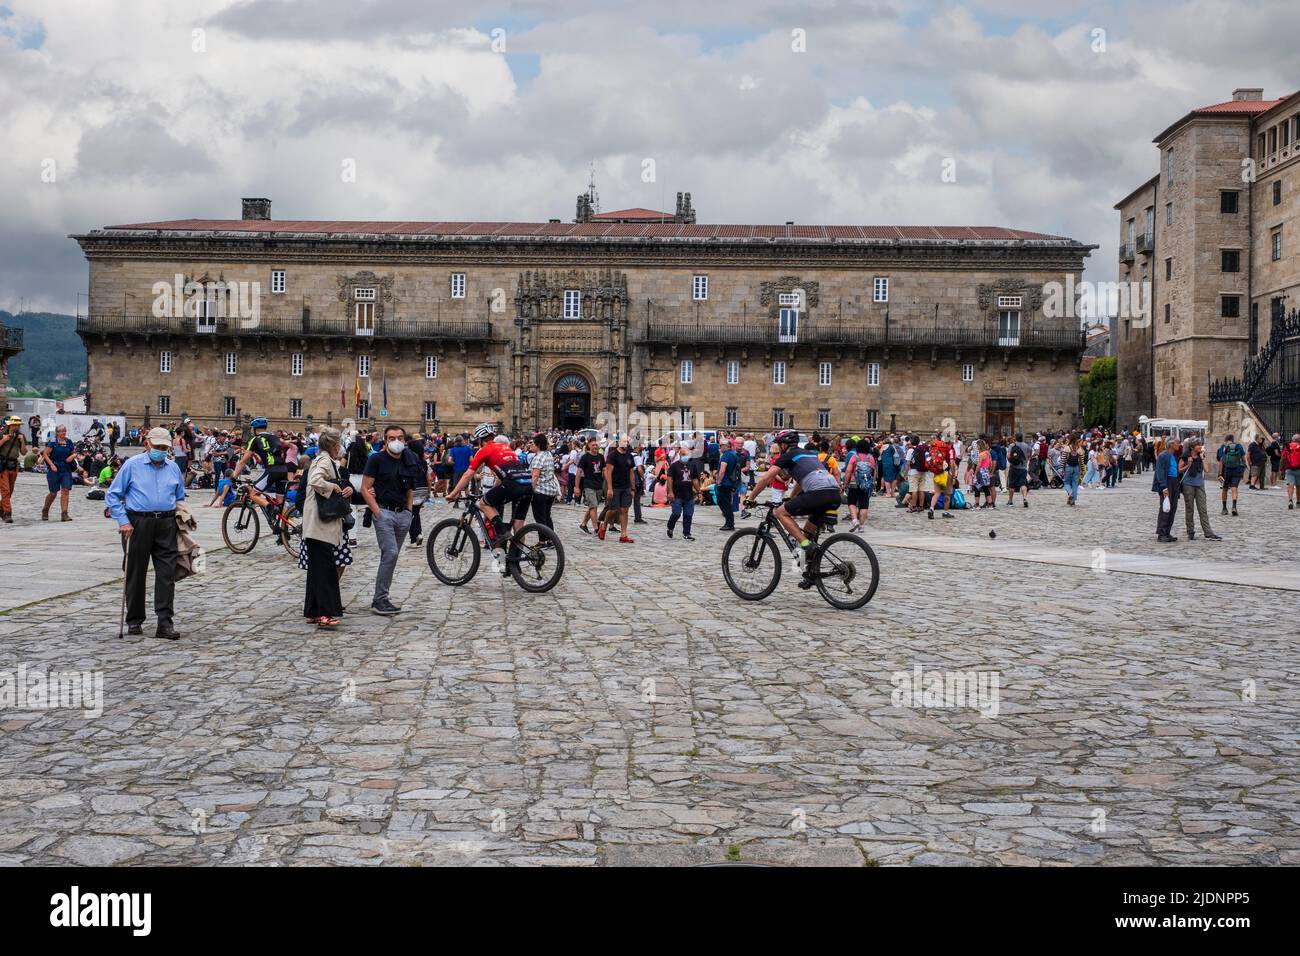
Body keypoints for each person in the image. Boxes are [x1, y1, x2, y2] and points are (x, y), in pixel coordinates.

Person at [106, 427, 187, 639]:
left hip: (166, 523)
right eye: (157, 446)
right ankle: (134, 620)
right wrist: (123, 521)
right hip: (137, 523)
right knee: (135, 572)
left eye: (164, 447)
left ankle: (164, 622)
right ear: (147, 444)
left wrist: (182, 517)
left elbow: (179, 496)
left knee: (167, 574)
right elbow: (113, 495)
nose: (161, 450)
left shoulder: (173, 468)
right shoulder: (132, 465)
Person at [745, 428, 843, 587]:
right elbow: (800, 480)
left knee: (780, 513)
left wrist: (750, 498)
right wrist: (791, 498)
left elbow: (765, 479)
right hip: (833, 493)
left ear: (784, 445)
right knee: (807, 532)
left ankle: (805, 545)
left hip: (818, 494)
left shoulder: (787, 456)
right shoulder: (811, 454)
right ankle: (810, 574)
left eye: (778, 444)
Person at [361, 424, 421, 615]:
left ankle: (382, 597)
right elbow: (365, 487)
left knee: (390, 557)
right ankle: (380, 600)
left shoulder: (409, 459)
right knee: (391, 553)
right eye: (391, 438)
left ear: (405, 440)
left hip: (403, 514)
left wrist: (410, 511)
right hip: (384, 513)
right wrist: (377, 511)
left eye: (400, 438)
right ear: (385, 441)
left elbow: (410, 487)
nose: (396, 441)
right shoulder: (376, 459)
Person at [447, 425, 533, 545]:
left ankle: (502, 532)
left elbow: (468, 475)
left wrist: (453, 493)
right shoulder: (505, 447)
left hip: (512, 483)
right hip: (528, 483)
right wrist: (494, 492)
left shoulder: (485, 449)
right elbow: (500, 476)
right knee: (518, 526)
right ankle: (515, 561)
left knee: (483, 503)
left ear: (480, 439)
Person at [301, 428, 352, 628]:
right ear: (334, 445)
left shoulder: (325, 460)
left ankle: (313, 611)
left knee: (316, 569)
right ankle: (325, 613)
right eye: (339, 443)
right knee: (325, 570)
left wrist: (340, 487)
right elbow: (315, 481)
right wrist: (333, 488)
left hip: (316, 524)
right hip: (320, 524)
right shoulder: (324, 461)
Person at [229, 417, 289, 513]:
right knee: (280, 501)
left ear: (255, 429)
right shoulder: (275, 437)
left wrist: (234, 476)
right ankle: (286, 526)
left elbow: (243, 461)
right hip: (283, 470)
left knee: (253, 495)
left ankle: (271, 507)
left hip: (272, 471)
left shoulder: (255, 439)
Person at [1178, 438, 1221, 541]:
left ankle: (1208, 532)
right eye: (1198, 445)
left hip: (1199, 484)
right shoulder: (1185, 456)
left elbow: (1206, 469)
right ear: (1192, 447)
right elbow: (1179, 470)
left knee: (1203, 509)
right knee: (1190, 509)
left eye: (1200, 445)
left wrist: (1202, 458)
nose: (1200, 447)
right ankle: (1190, 531)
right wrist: (1188, 464)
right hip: (1188, 484)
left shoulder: (1202, 455)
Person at [598, 434, 636, 542]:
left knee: (625, 510)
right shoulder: (613, 455)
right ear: (619, 442)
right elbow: (608, 472)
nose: (626, 444)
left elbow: (631, 472)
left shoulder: (629, 456)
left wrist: (633, 488)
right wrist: (609, 488)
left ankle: (623, 535)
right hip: (615, 486)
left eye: (627, 442)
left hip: (626, 487)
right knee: (613, 510)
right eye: (624, 442)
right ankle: (604, 526)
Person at [41, 424, 80, 521]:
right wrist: (51, 465)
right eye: (61, 431)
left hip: (65, 469)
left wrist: (73, 456)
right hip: (54, 469)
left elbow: (74, 452)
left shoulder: (69, 442)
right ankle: (45, 509)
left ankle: (64, 514)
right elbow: (45, 454)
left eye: (65, 431)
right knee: (53, 493)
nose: (63, 432)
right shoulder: (53, 442)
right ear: (57, 433)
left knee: (65, 490)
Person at [1153, 435, 1183, 542]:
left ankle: (1167, 531)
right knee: (1165, 508)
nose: (1179, 445)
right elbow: (1160, 472)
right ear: (1171, 444)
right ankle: (1161, 533)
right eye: (1177, 443)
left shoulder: (1173, 455)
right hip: (1167, 482)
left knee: (1173, 507)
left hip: (1174, 482)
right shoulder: (1163, 455)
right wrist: (1163, 486)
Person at [664, 446, 698, 540]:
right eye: (683, 454)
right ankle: (670, 527)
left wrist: (698, 491)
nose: (685, 456)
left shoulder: (692, 465)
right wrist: (670, 492)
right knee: (676, 513)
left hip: (689, 495)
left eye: (686, 454)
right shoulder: (674, 466)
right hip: (677, 494)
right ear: (679, 455)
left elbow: (694, 479)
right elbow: (670, 479)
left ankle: (686, 533)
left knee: (688, 515)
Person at [528, 432, 558, 531]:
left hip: (540, 491)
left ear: (538, 445)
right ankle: (550, 539)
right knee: (547, 516)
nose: (531, 445)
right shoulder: (548, 454)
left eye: (533, 443)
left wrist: (531, 490)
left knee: (540, 518)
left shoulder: (538, 457)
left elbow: (535, 475)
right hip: (550, 490)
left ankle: (543, 541)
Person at [0, 415, 27, 523]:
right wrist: (3, 440)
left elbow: (24, 452)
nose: (17, 427)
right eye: (15, 425)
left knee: (10, 490)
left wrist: (22, 442)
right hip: (3, 465)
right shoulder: (2, 434)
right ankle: (7, 513)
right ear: (9, 425)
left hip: (14, 465)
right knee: (5, 490)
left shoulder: (21, 436)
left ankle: (1, 507)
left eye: (18, 425)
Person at [576, 437, 604, 534]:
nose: (595, 446)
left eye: (596, 445)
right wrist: (577, 487)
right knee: (594, 506)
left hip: (599, 485)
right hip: (589, 485)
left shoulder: (601, 457)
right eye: (593, 445)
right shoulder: (585, 457)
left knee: (592, 506)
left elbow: (604, 470)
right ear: (588, 446)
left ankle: (583, 524)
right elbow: (579, 472)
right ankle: (596, 528)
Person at [1215, 433, 1246, 516]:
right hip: (1237, 470)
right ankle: (1234, 507)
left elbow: (1221, 460)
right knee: (1234, 488)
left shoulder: (1223, 447)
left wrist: (1220, 473)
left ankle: (1224, 508)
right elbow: (1243, 459)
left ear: (1226, 440)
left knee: (1224, 489)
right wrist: (1242, 470)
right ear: (1233, 440)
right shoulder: (1239, 446)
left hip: (1226, 471)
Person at [1005, 432, 1031, 508]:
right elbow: (1029, 456)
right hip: (1023, 468)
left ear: (1015, 438)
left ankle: (1010, 501)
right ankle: (1025, 498)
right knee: (1023, 484)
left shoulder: (1012, 445)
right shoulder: (1027, 446)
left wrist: (1011, 460)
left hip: (1014, 467)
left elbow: (1008, 456)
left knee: (1012, 485)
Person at [1284, 433, 1300, 511]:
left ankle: (1290, 500)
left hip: (1289, 468)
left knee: (1290, 485)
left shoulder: (1287, 446)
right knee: (1298, 486)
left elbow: (1283, 457)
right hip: (1299, 468)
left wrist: (1282, 468)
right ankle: (1298, 502)